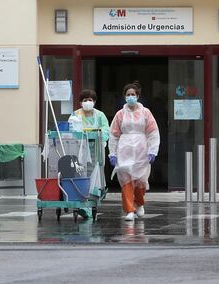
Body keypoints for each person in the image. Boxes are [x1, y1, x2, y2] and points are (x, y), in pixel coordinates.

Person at [108, 81, 160, 221]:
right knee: (126, 180)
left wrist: (153, 150)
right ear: (124, 97)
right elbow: (113, 134)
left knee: (140, 181)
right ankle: (129, 210)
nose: (130, 96)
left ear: (137, 96)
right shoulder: (120, 114)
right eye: (128, 94)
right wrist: (112, 153)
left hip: (141, 149)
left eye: (133, 94)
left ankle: (139, 203)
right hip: (124, 149)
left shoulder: (145, 112)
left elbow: (153, 132)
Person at [67, 89, 109, 219]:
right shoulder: (75, 115)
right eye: (85, 100)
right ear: (80, 102)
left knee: (93, 177)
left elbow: (106, 130)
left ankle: (90, 206)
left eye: (90, 100)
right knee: (79, 174)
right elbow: (70, 130)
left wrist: (98, 135)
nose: (88, 102)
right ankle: (80, 206)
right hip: (79, 150)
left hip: (95, 150)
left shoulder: (100, 115)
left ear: (94, 102)